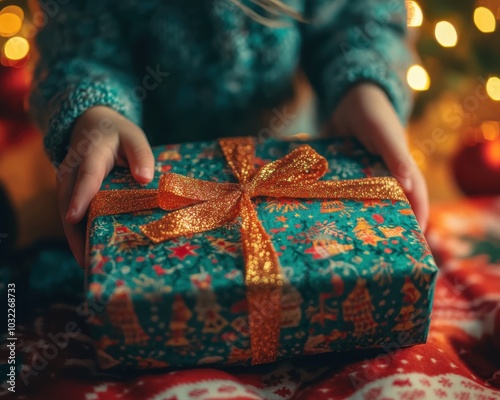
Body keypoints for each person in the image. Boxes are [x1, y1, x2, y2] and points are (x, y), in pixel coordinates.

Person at [30, 0, 428, 266]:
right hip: (139, 177)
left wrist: (362, 90)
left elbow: (355, 20)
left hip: (292, 158)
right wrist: (96, 111)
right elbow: (80, 47)